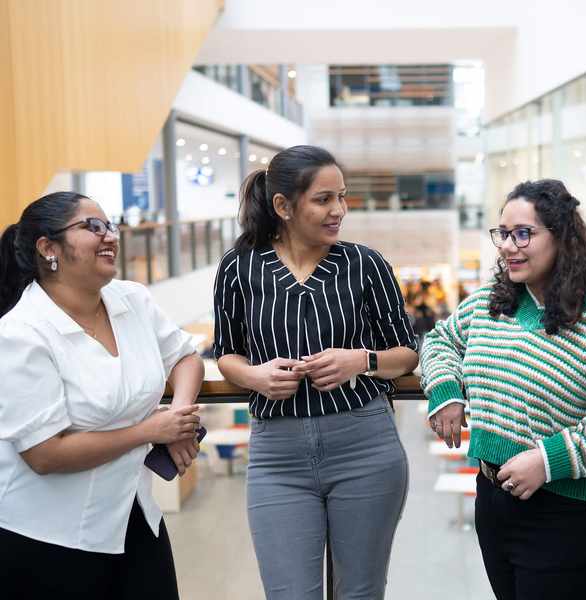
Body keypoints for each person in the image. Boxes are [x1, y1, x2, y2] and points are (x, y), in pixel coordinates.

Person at [422, 179, 586, 600]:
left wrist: (548, 461)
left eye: (524, 234)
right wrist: (446, 391)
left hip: (567, 516)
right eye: (503, 234)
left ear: (562, 237)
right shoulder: (491, 303)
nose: (508, 246)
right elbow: (441, 341)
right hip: (493, 503)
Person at [213, 145, 418, 599]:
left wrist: (359, 360)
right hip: (276, 455)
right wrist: (255, 377)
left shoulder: (365, 264)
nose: (339, 210)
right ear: (283, 206)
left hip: (365, 445)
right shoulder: (238, 267)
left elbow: (407, 353)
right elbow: (226, 352)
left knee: (360, 593)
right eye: (324, 199)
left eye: (342, 197)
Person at [0, 192, 204, 600]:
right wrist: (151, 430)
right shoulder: (21, 333)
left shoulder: (132, 299)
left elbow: (185, 357)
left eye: (110, 225)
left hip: (134, 516)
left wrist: (178, 419)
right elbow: (44, 454)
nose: (109, 235)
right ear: (48, 248)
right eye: (92, 227)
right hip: (50, 539)